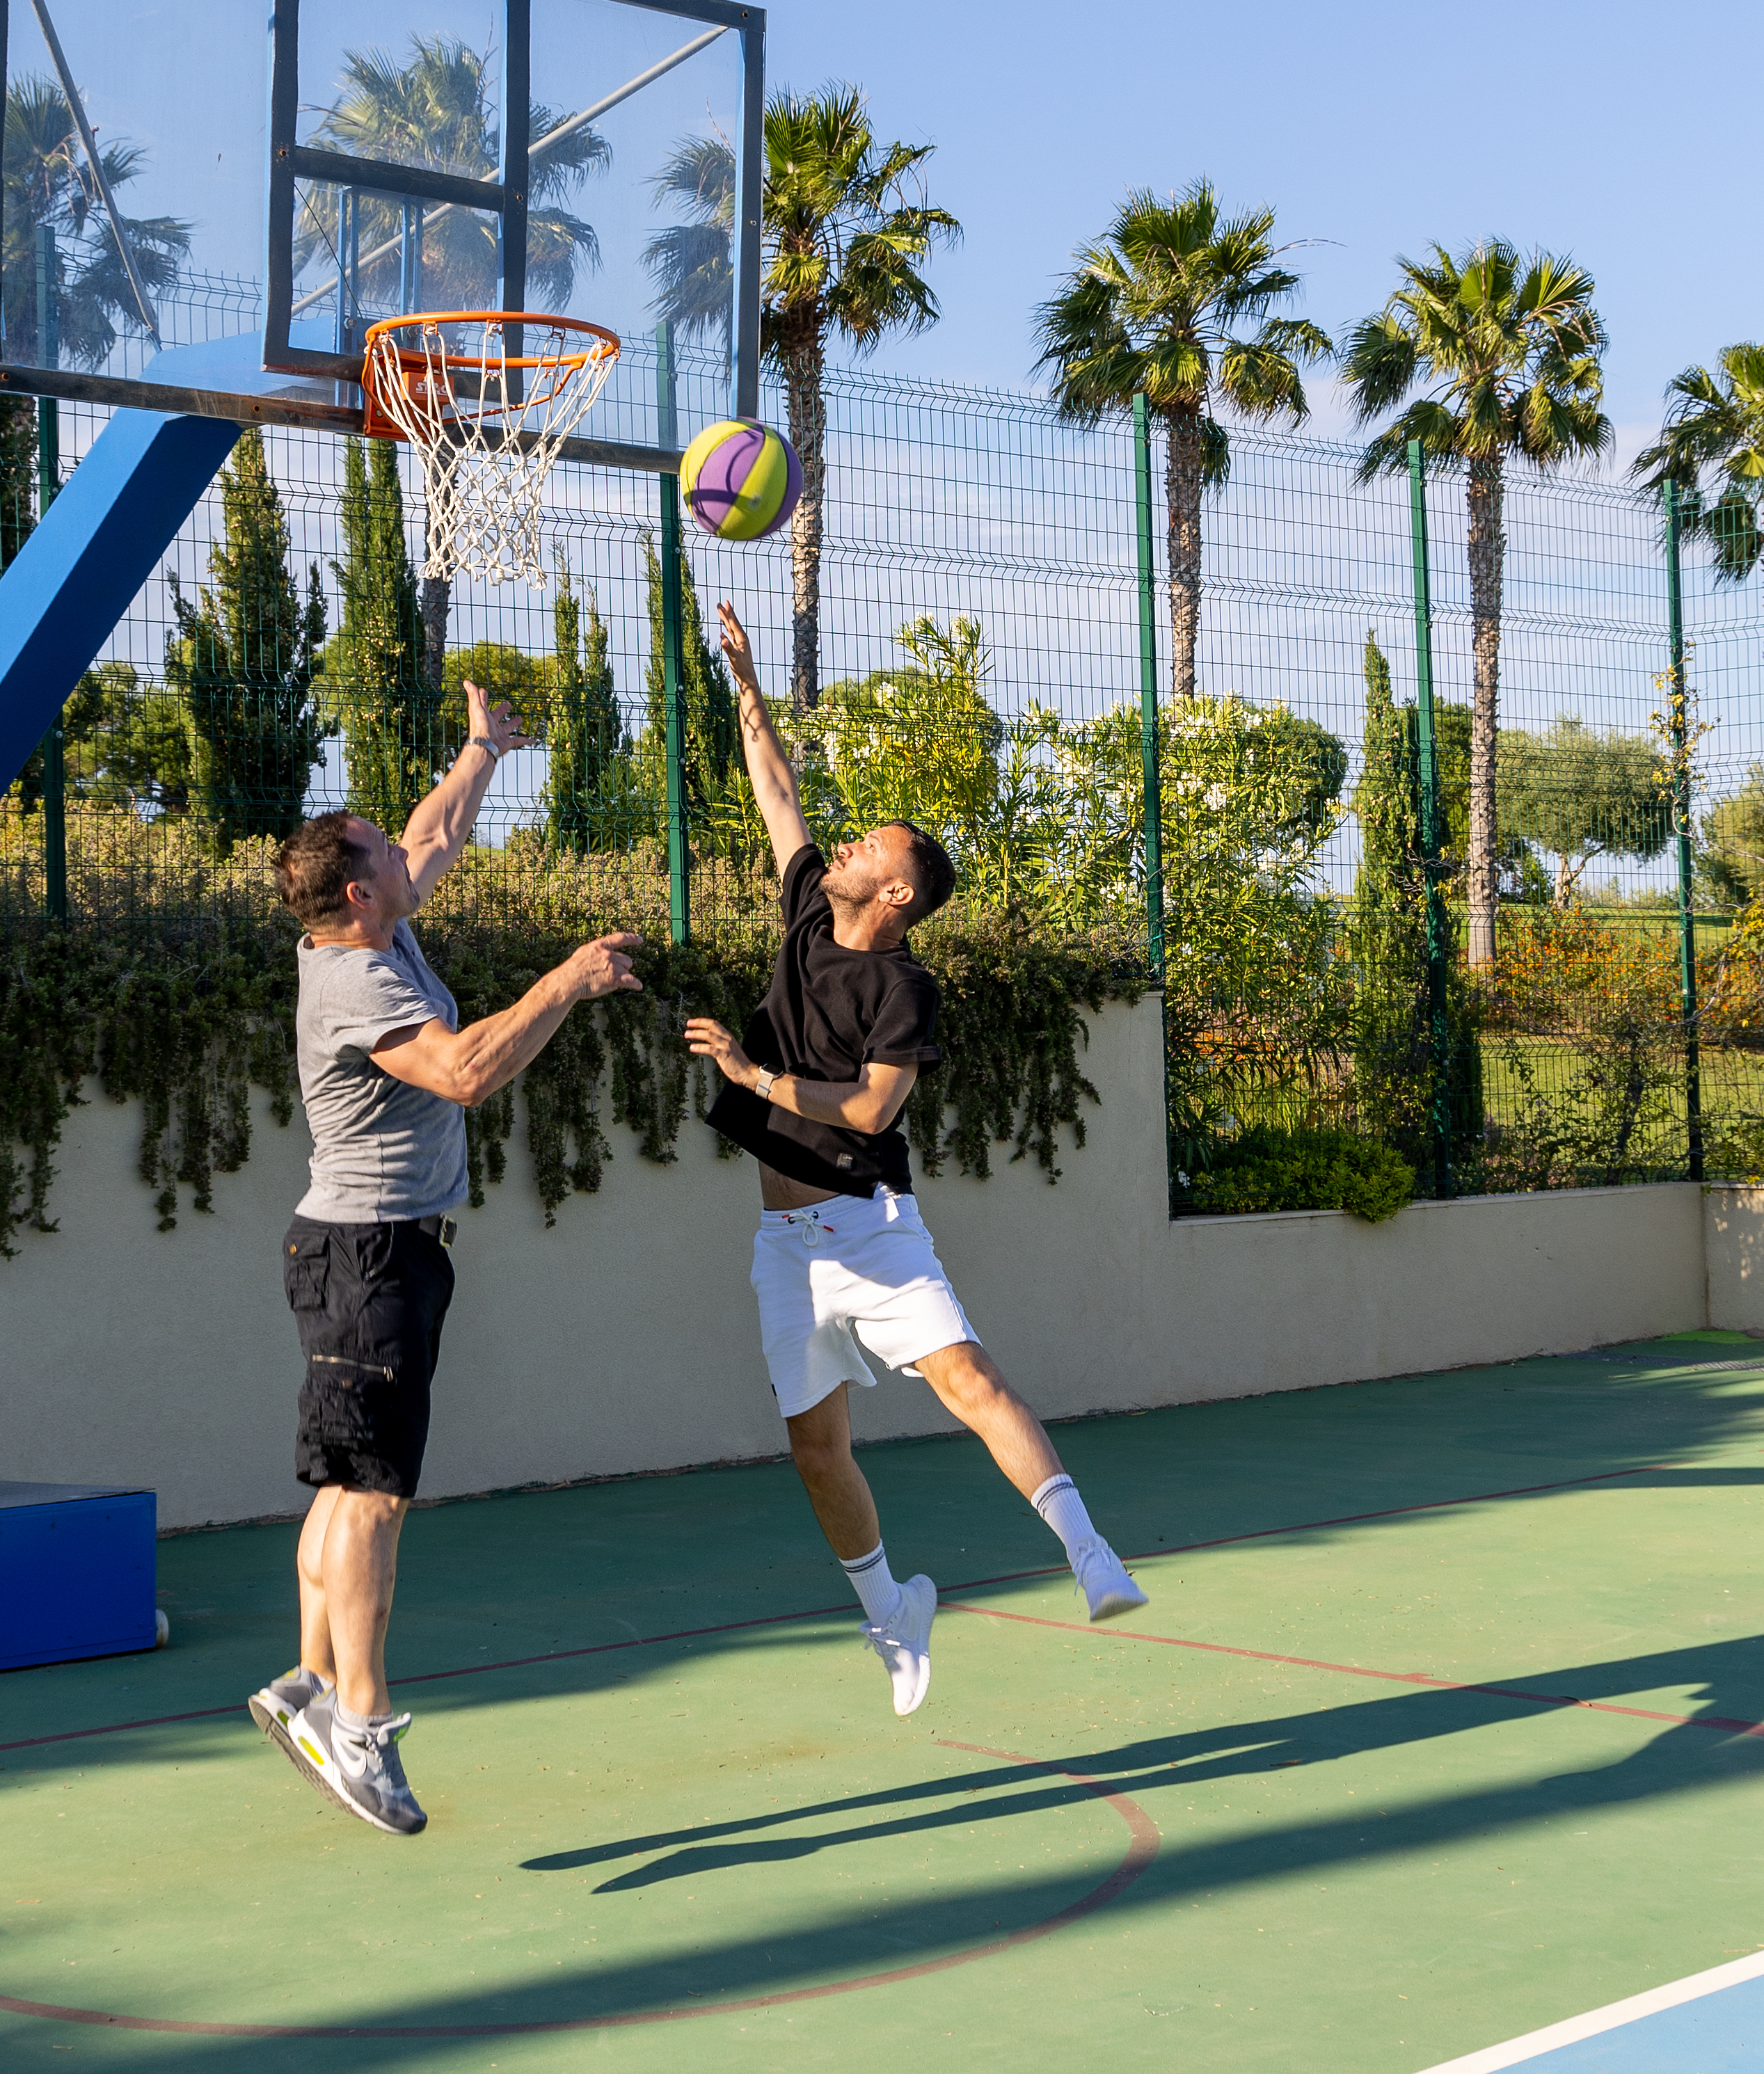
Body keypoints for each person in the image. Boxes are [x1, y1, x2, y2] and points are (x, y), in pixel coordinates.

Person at [683, 605, 1144, 1716]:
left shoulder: (903, 988)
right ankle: (892, 1609)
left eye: (870, 848)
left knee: (966, 1376)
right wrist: (742, 678)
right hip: (783, 1245)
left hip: (868, 1225)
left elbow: (871, 1106)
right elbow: (773, 783)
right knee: (815, 1448)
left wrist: (752, 1080)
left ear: (897, 894)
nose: (845, 846)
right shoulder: (804, 908)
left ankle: (1089, 1552)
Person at [251, 684, 642, 1835]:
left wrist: (481, 750)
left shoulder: (373, 921)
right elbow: (466, 1070)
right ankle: (360, 1730)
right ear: (358, 893)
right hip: (370, 1256)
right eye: (384, 853)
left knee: (343, 1484)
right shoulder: (362, 980)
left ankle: (309, 1680)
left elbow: (430, 833)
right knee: (375, 1497)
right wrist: (567, 981)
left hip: (353, 1248)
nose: (410, 854)